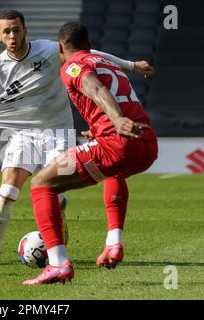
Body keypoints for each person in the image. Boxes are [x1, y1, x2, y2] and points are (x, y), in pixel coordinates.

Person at [0, 10, 154, 267]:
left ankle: (57, 242)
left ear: (25, 30)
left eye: (16, 29)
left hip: (59, 132)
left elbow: (88, 54)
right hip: (23, 134)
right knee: (7, 190)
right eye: (6, 31)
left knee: (55, 190)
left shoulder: (50, 50)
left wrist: (131, 65)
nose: (12, 35)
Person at [23, 21, 158, 285]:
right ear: (89, 44)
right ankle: (113, 243)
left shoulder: (72, 66)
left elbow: (95, 89)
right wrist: (105, 126)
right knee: (114, 171)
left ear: (61, 47)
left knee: (41, 184)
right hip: (146, 143)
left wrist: (116, 121)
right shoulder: (105, 62)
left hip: (117, 140)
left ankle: (58, 264)